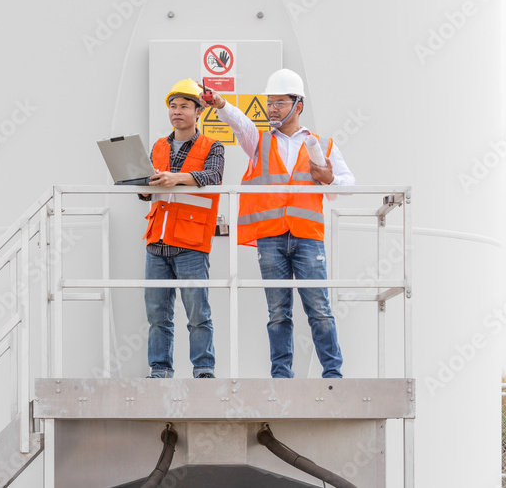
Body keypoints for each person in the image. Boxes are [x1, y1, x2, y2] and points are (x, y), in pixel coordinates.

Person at [209, 69, 355, 378]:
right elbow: (239, 122)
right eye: (269, 102)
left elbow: (348, 185)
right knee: (277, 313)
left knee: (318, 308)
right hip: (271, 238)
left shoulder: (322, 145)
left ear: (297, 105)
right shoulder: (257, 141)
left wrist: (329, 178)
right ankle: (281, 376)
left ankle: (333, 374)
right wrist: (220, 103)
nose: (272, 108)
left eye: (279, 102)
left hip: (307, 237)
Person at [140, 78, 224, 378]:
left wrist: (177, 177)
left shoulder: (212, 146)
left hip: (190, 242)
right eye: (173, 106)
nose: (177, 111)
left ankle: (204, 370)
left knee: (198, 313)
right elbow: (146, 193)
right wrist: (141, 184)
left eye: (184, 106)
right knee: (157, 315)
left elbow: (214, 177)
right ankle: (159, 370)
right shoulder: (159, 146)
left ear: (198, 111)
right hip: (157, 240)